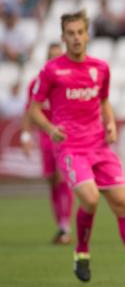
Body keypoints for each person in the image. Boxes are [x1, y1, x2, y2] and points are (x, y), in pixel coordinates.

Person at [28, 10, 125, 285]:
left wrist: (111, 123)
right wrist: (50, 129)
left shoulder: (100, 68)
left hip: (100, 146)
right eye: (71, 33)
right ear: (63, 37)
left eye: (80, 32)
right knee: (90, 198)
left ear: (87, 34)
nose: (76, 38)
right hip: (71, 148)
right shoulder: (52, 70)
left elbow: (103, 101)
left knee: (124, 203)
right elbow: (33, 109)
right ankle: (81, 251)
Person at [21, 42, 74, 244]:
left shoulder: (70, 81)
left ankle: (65, 227)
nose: (55, 60)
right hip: (45, 136)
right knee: (52, 180)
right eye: (51, 56)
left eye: (58, 56)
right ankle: (61, 224)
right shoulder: (36, 83)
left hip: (64, 135)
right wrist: (26, 136)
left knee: (62, 178)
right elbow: (29, 111)